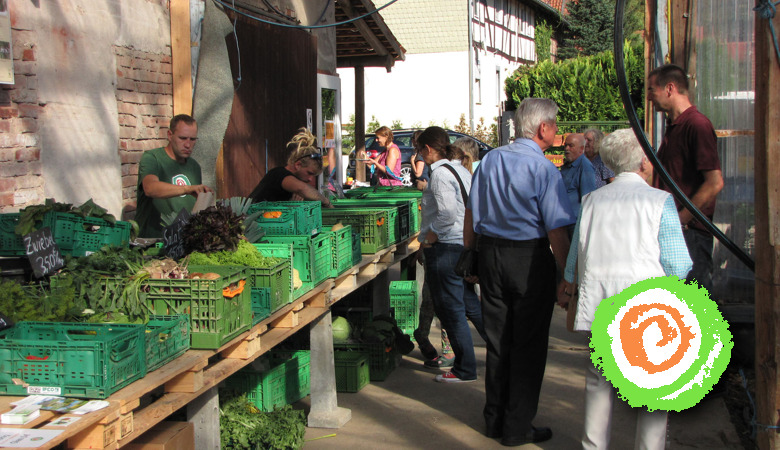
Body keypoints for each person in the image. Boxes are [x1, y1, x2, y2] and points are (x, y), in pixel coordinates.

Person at [558, 129, 692, 450]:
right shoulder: (660, 201)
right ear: (644, 162)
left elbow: (575, 255)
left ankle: (593, 446)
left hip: (600, 303)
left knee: (599, 380)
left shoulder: (591, 201)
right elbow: (678, 264)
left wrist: (569, 285)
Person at [464, 98, 575, 446]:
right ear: (543, 128)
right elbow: (556, 230)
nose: (556, 131)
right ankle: (517, 426)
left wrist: (471, 254)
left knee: (498, 341)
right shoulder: (544, 169)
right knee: (527, 344)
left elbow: (471, 212)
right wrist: (567, 276)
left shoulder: (490, 160)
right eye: (555, 124)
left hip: (491, 254)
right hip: (528, 258)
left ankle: (495, 419)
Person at [417, 126, 485, 383]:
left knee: (451, 310)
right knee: (470, 306)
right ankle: (502, 351)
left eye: (420, 151)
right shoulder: (460, 169)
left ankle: (465, 368)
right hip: (462, 245)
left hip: (446, 248)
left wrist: (430, 236)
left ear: (427, 149)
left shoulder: (440, 174)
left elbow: (446, 214)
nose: (420, 156)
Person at [647, 64, 724, 293]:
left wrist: (682, 219)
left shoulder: (696, 125)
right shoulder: (675, 126)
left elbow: (714, 182)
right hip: (677, 232)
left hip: (690, 234)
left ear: (670, 88)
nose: (649, 97)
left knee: (693, 303)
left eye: (652, 90)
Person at [136, 114, 213, 238]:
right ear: (170, 135)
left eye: (192, 139)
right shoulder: (152, 158)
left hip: (181, 241)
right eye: (183, 138)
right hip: (152, 241)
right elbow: (150, 188)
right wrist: (187, 189)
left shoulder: (194, 166)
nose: (188, 144)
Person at [248, 128, 333, 208]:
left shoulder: (288, 181)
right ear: (298, 165)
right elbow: (302, 189)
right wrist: (326, 202)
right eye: (309, 173)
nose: (310, 179)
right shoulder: (280, 174)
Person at [560, 133, 597, 223]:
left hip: (573, 222)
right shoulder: (568, 165)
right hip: (562, 220)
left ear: (581, 149)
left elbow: (588, 199)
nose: (566, 149)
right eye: (565, 145)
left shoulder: (585, 167)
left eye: (571, 146)